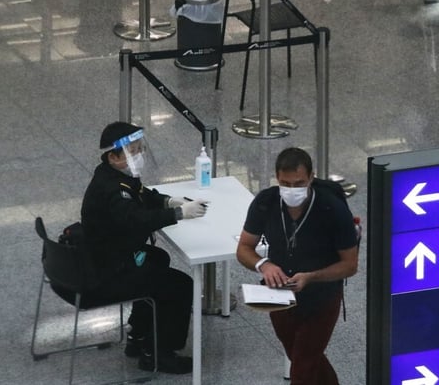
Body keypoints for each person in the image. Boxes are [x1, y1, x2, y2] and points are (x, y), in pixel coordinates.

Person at [80, 122, 209, 375]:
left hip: (108, 257)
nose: (139, 156)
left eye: (140, 150)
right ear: (113, 157)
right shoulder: (113, 190)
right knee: (181, 285)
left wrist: (167, 200)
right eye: (133, 151)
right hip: (109, 272)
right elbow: (136, 218)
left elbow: (143, 195)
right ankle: (159, 353)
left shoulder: (114, 176)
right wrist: (178, 213)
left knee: (158, 258)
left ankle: (139, 335)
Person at [236, 147, 358, 385]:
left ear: (311, 178)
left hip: (321, 298)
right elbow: (244, 248)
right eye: (285, 184)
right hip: (279, 297)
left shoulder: (332, 209)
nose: (292, 190)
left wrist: (311, 277)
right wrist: (264, 265)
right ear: (277, 178)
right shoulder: (266, 202)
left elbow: (350, 265)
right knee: (303, 359)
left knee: (301, 370)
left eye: (299, 183)